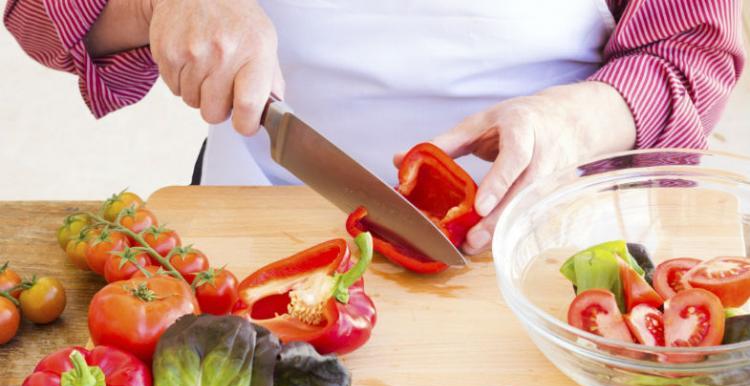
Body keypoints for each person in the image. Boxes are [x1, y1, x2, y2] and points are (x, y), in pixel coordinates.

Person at [4, 0, 745, 255]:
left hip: (551, 232)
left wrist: (575, 120)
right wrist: (160, 4)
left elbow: (693, 47)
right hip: (258, 207)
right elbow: (44, 12)